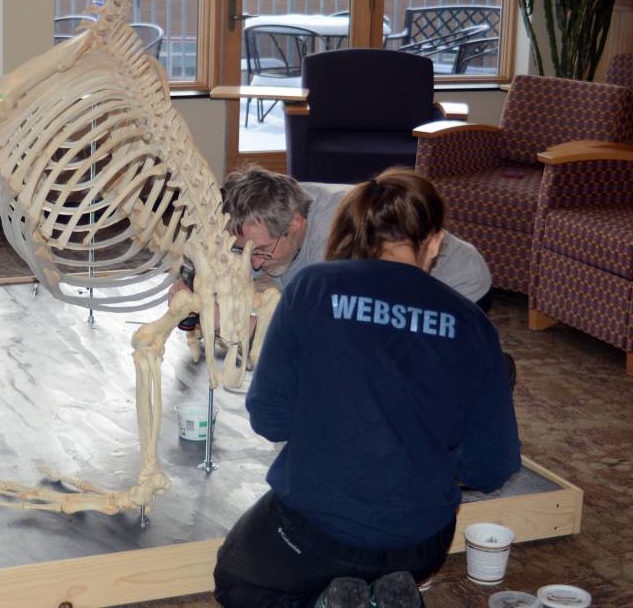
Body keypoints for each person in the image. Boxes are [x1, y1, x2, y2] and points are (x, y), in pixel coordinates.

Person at [213, 168, 521, 607]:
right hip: (422, 544)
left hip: (317, 532)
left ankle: (328, 601)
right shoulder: (474, 325)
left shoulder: (311, 287)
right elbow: (491, 468)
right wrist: (420, 452)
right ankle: (384, 593)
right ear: (434, 241)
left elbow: (269, 418)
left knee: (237, 581)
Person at [221, 166, 493, 309]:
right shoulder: (278, 202)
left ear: (295, 223)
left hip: (459, 286)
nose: (255, 263)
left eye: (263, 251)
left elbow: (339, 323)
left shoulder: (333, 242)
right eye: (245, 250)